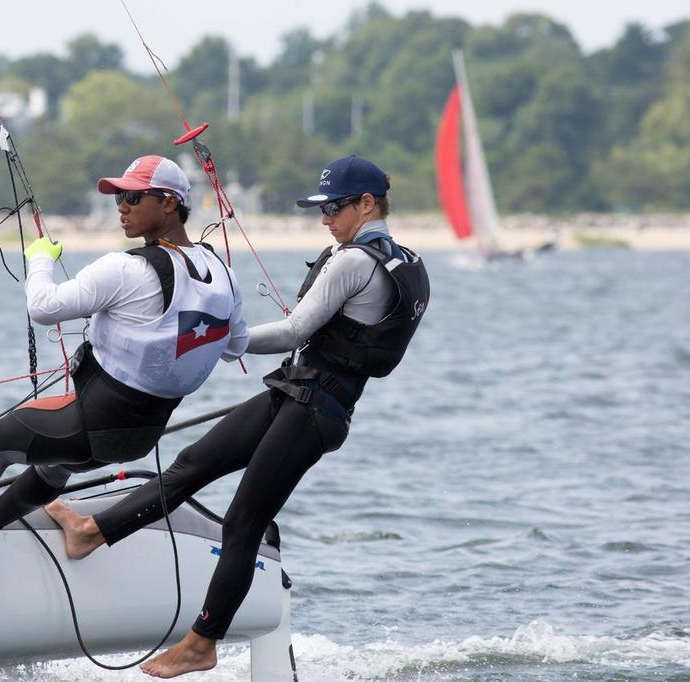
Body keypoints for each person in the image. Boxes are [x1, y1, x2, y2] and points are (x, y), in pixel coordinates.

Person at [45, 155, 431, 678]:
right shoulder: (403, 260)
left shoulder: (353, 261)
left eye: (333, 208)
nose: (324, 218)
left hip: (313, 410)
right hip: (298, 395)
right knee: (194, 462)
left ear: (367, 204)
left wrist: (219, 338)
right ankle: (94, 531)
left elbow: (295, 333)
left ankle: (203, 641)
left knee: (244, 520)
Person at [0, 154, 248, 557]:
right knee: (57, 462)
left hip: (94, 424)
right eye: (117, 198)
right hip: (136, 438)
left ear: (169, 203)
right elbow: (235, 346)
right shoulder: (221, 271)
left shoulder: (126, 269)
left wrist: (39, 258)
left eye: (133, 197)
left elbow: (43, 307)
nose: (121, 206)